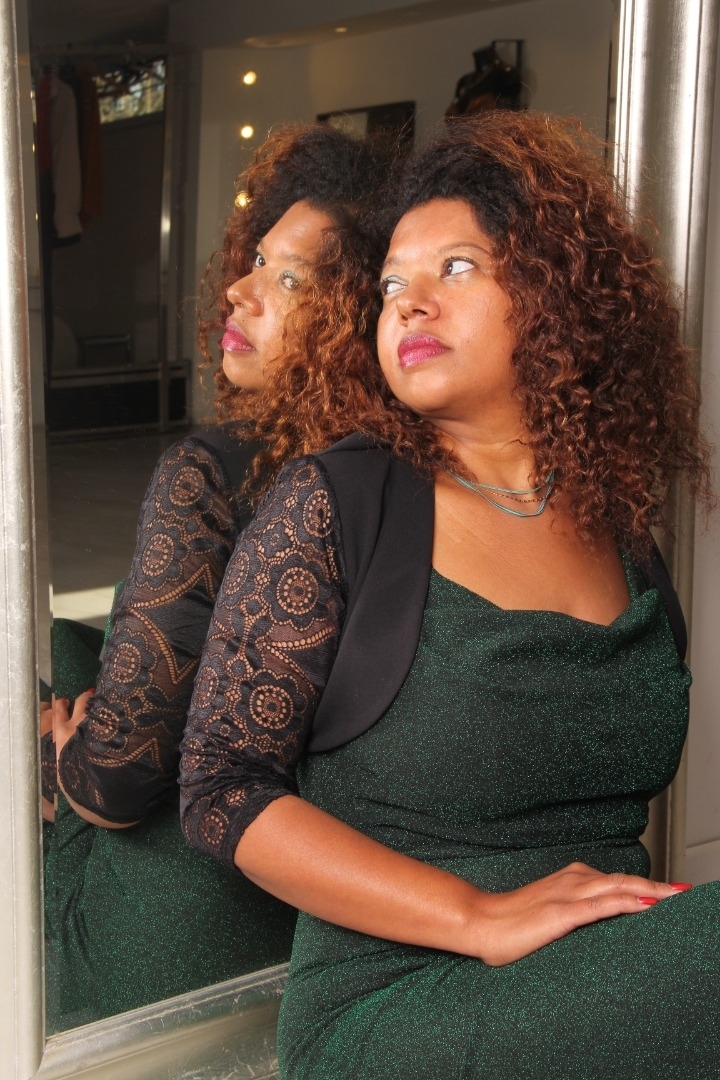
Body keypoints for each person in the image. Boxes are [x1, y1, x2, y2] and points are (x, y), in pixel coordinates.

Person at [179, 111, 719, 1078]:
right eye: (392, 285)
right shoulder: (339, 501)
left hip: (596, 980)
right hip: (397, 1001)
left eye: (455, 268)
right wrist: (478, 915)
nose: (410, 305)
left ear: (556, 293)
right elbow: (221, 789)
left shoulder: (618, 523)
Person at [44, 122, 387, 1030]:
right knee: (71, 644)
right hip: (340, 914)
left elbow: (117, 789)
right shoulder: (418, 474)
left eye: (289, 279)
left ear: (357, 321)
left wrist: (55, 758)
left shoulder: (211, 474)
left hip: (178, 928)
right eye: (258, 261)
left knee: (43, 689)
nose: (239, 287)